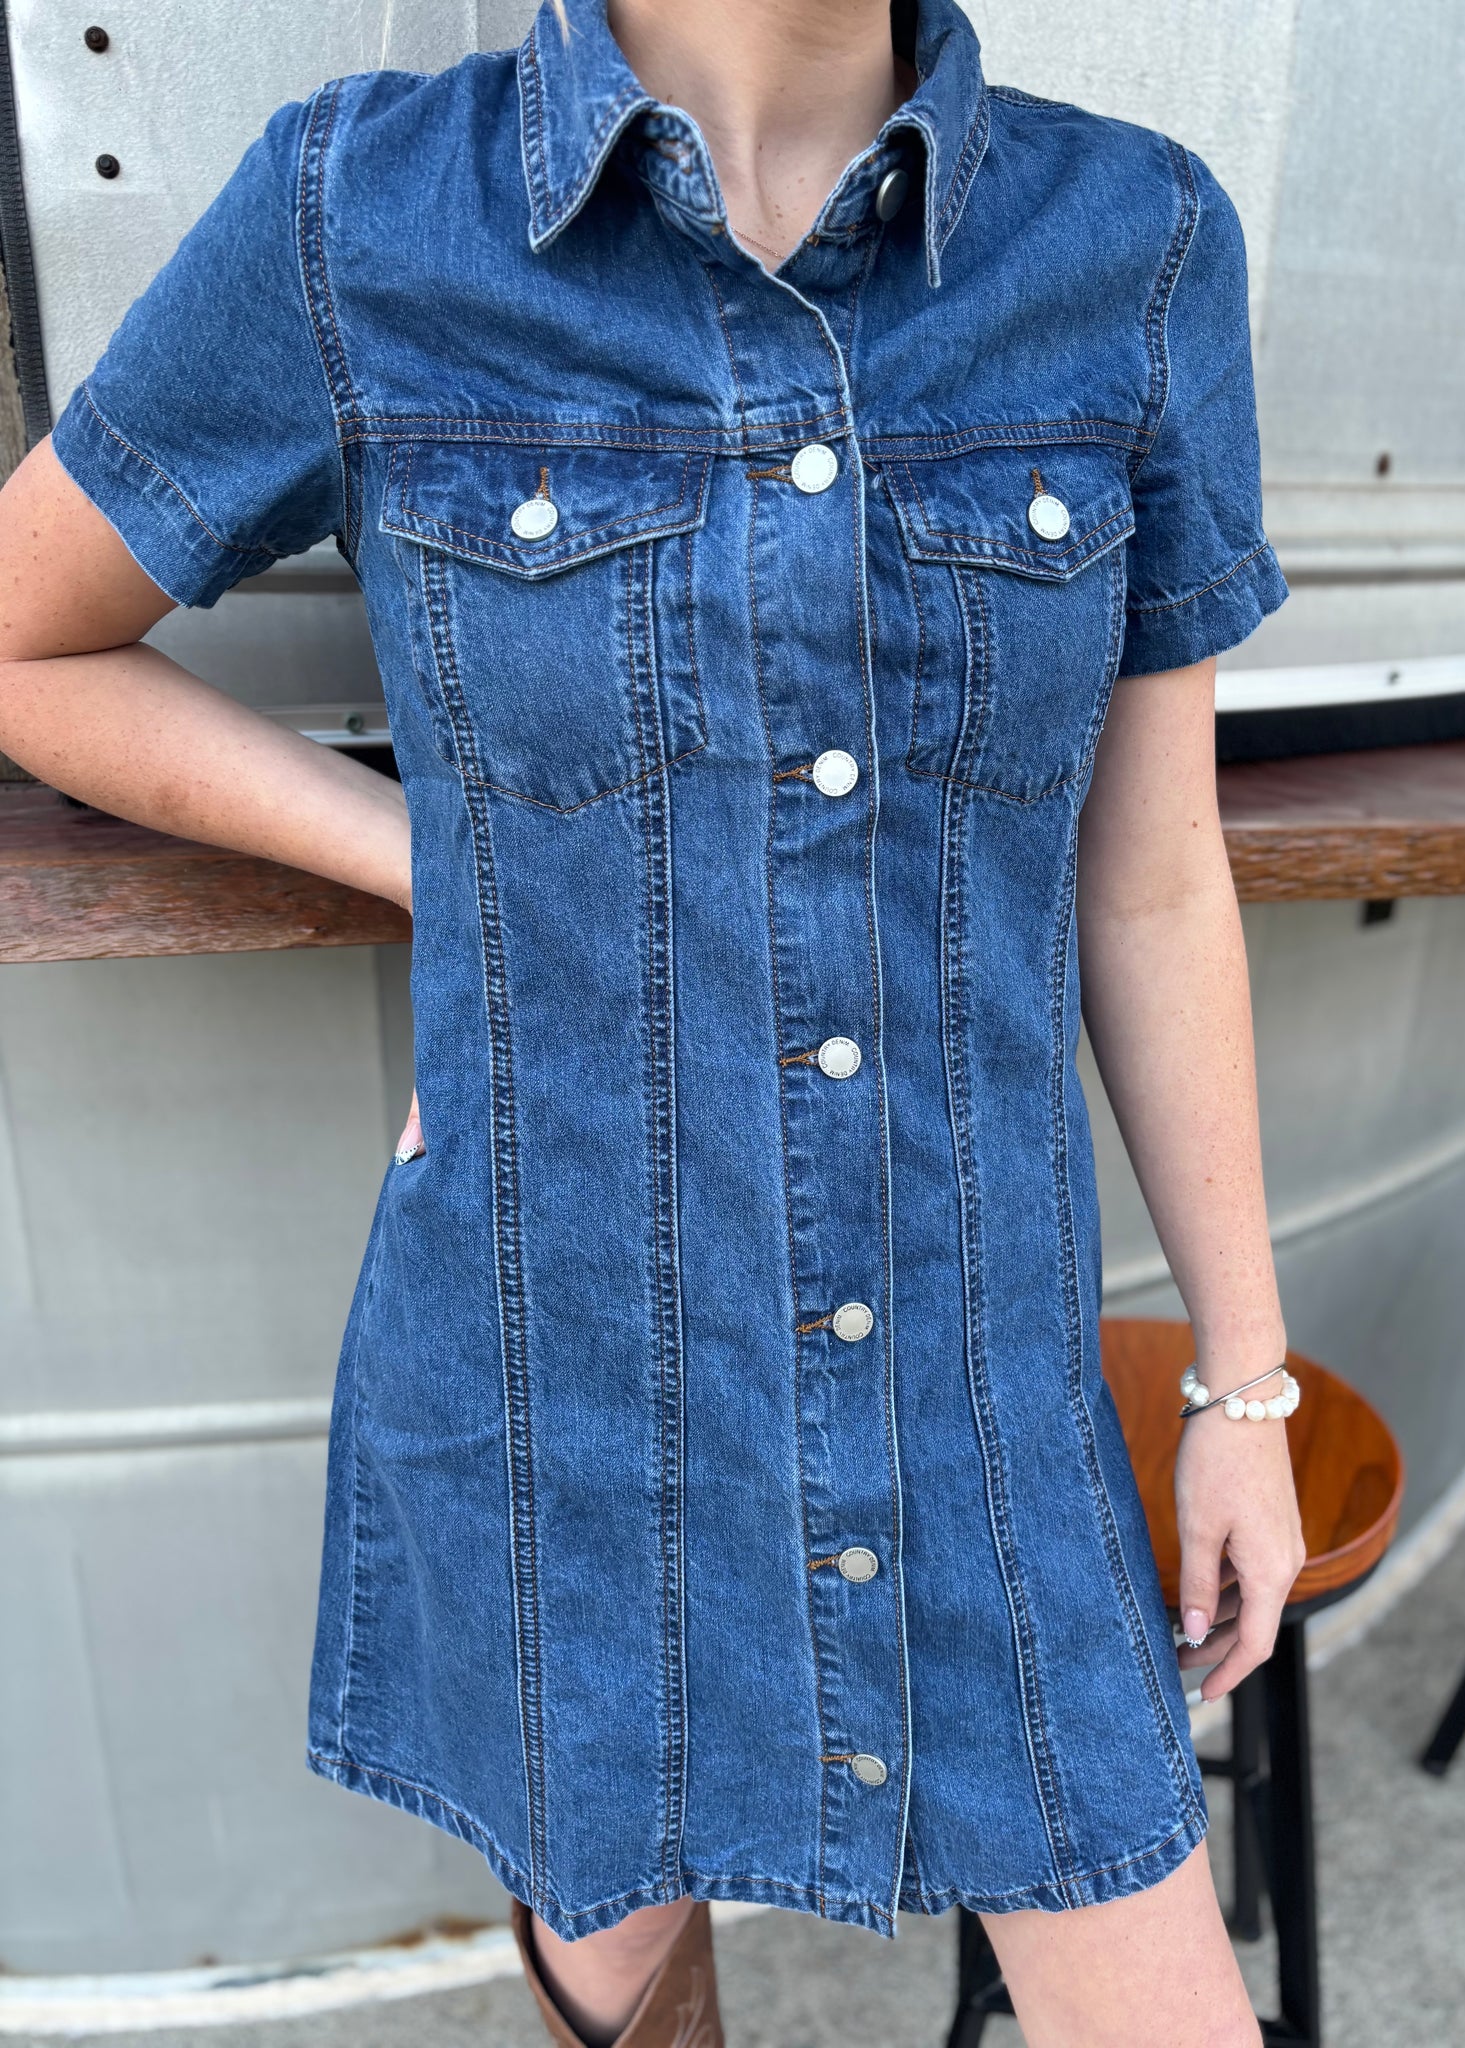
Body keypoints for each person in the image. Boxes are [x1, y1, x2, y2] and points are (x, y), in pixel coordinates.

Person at [0, 0, 1306, 2041]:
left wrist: (1245, 1384)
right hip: (570, 1348)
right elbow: (27, 640)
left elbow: (1149, 879)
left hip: (973, 1363)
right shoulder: (365, 215)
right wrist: (445, 863)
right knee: (622, 1974)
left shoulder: (1130, 243)